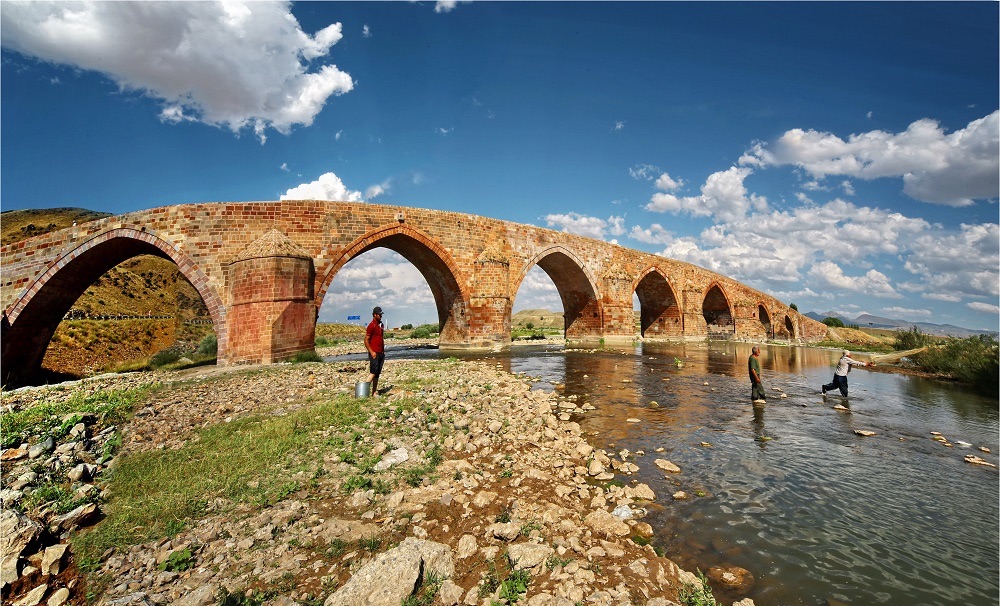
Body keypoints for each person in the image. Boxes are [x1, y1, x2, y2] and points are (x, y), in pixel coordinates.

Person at [364, 306, 385, 396]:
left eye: (381, 314)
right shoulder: (371, 326)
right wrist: (372, 352)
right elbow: (366, 340)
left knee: (377, 374)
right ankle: (363, 391)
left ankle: (374, 392)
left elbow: (381, 338)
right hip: (374, 353)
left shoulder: (381, 325)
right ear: (374, 315)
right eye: (379, 314)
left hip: (381, 352)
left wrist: (383, 352)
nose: (381, 316)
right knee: (373, 372)